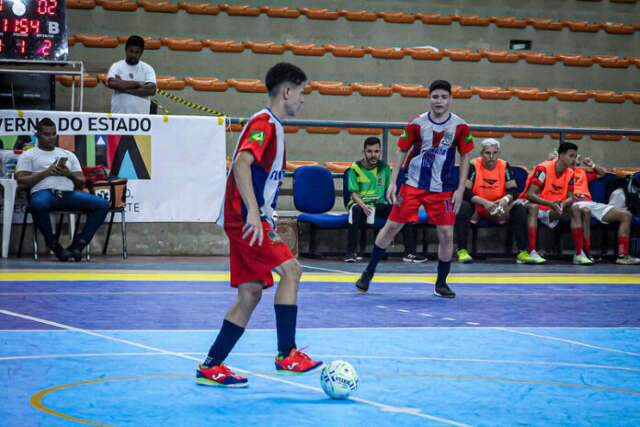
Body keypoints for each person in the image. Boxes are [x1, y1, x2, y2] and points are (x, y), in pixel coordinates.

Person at [196, 63, 322, 388]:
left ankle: (212, 365)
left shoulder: (274, 126)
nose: (303, 100)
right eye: (302, 93)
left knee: (251, 293)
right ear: (287, 92)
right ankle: (286, 354)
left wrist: (263, 212)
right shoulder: (264, 123)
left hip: (247, 218)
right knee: (292, 271)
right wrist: (253, 212)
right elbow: (241, 163)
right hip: (243, 219)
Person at [354, 80, 474, 298]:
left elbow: (465, 157)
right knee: (391, 227)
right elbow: (401, 151)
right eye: (435, 96)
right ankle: (367, 273)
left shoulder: (461, 126)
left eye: (443, 97)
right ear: (429, 98)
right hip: (412, 184)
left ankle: (441, 283)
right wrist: (393, 182)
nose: (439, 101)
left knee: (447, 234)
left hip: (444, 188)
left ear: (450, 99)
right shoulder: (416, 124)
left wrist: (459, 189)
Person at [15, 118, 109, 261]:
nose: (51, 138)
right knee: (38, 204)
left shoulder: (68, 154)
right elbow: (21, 181)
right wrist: (47, 172)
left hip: (68, 195)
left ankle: (78, 245)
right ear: (38, 135)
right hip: (44, 194)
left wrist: (68, 174)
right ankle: (54, 245)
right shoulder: (29, 155)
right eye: (47, 134)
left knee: (102, 204)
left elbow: (82, 182)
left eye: (53, 134)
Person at [454, 138, 537, 264]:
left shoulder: (504, 166)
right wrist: (485, 203)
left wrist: (504, 200)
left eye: (495, 153)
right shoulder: (473, 165)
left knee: (519, 208)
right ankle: (462, 251)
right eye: (488, 153)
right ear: (481, 153)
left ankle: (522, 252)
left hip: (500, 207)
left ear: (498, 153)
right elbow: (465, 192)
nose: (491, 156)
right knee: (463, 207)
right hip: (477, 206)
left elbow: (513, 190)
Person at [345, 136, 427, 263]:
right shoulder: (355, 168)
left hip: (378, 205)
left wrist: (397, 202)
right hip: (360, 205)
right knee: (354, 211)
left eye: (376, 152)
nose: (373, 155)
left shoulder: (384, 168)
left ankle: (409, 253)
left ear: (380, 152)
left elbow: (390, 190)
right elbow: (354, 193)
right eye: (370, 151)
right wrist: (363, 206)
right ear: (364, 152)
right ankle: (351, 253)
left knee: (405, 210)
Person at [518, 142, 590, 265]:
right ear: (561, 155)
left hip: (553, 208)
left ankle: (579, 254)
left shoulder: (571, 173)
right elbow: (530, 195)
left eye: (575, 156)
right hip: (533, 205)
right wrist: (550, 203)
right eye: (571, 156)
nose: (574, 160)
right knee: (534, 208)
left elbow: (571, 197)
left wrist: (563, 203)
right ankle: (532, 251)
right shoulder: (543, 169)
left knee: (576, 208)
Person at [571, 155, 640, 265]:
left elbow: (603, 173)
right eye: (573, 156)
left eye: (577, 157)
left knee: (626, 215)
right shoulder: (560, 173)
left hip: (590, 203)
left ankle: (622, 256)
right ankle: (584, 253)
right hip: (572, 203)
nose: (576, 158)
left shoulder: (582, 173)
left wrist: (592, 165)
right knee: (585, 211)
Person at [106, 35, 157, 114]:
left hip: (140, 119)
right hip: (118, 117)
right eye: (131, 51)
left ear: (141, 52)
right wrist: (138, 83)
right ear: (126, 50)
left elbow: (152, 90)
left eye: (137, 52)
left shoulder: (148, 69)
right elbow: (111, 83)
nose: (133, 55)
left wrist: (122, 86)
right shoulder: (117, 66)